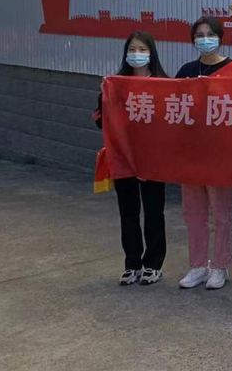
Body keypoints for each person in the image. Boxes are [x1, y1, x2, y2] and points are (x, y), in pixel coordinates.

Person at [174, 16, 232, 291]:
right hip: (191, 152)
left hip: (219, 153)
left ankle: (220, 265)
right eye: (199, 35)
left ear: (220, 37)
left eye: (210, 34)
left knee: (221, 212)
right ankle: (197, 266)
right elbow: (173, 106)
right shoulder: (186, 70)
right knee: (193, 212)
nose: (204, 39)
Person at [94, 31, 169, 286]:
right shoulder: (115, 84)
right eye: (132, 50)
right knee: (128, 212)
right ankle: (132, 264)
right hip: (123, 159)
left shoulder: (163, 84)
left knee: (154, 211)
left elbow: (173, 123)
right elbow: (101, 121)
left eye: (142, 49)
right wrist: (104, 96)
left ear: (152, 53)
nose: (137, 54)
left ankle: (153, 265)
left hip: (153, 160)